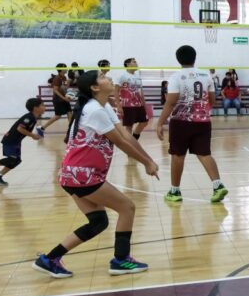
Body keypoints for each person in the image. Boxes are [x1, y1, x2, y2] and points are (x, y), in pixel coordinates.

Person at [32, 70, 159, 278]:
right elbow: (121, 142)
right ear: (94, 87)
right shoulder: (95, 110)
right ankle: (121, 260)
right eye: (102, 77)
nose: (109, 78)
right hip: (84, 175)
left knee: (98, 222)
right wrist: (146, 162)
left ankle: (49, 259)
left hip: (71, 174)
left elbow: (126, 135)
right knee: (127, 208)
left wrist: (149, 160)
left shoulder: (103, 106)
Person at [156, 45, 229, 203]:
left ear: (178, 59)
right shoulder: (206, 75)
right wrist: (202, 112)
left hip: (180, 122)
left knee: (178, 155)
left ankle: (175, 192)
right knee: (204, 154)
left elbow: (170, 103)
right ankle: (218, 186)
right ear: (195, 57)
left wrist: (160, 123)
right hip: (203, 121)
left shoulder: (175, 77)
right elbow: (212, 100)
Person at [0, 98, 46, 186]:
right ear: (35, 108)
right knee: (13, 159)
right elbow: (20, 128)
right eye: (42, 105)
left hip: (16, 141)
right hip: (10, 140)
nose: (45, 107)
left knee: (16, 161)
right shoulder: (29, 117)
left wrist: (35, 135)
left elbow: (25, 130)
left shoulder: (33, 118)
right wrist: (33, 135)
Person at [115, 57, 150, 140]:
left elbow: (141, 92)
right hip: (127, 105)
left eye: (136, 62)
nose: (136, 63)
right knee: (129, 126)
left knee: (144, 122)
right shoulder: (122, 76)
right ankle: (130, 144)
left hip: (139, 104)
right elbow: (115, 91)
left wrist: (144, 105)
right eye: (134, 62)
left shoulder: (138, 76)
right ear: (127, 64)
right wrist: (119, 106)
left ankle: (134, 139)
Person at [40, 63, 73, 134]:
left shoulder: (64, 77)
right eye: (65, 67)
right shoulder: (57, 78)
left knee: (69, 112)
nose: (67, 69)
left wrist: (68, 83)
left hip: (64, 99)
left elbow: (65, 88)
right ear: (61, 69)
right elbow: (55, 90)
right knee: (58, 116)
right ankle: (42, 128)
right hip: (58, 100)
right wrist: (64, 98)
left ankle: (71, 129)